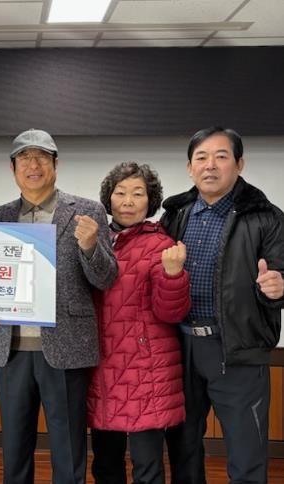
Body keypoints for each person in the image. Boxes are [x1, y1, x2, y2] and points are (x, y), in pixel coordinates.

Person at [0, 129, 117, 484]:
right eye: (25, 158)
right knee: (14, 450)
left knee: (69, 451)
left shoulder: (87, 212)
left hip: (67, 348)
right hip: (10, 350)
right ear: (13, 168)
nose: (33, 165)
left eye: (41, 158)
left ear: (55, 165)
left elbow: (106, 279)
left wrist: (90, 246)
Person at [161, 127, 284, 484]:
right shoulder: (175, 215)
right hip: (180, 347)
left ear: (239, 164)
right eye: (201, 157)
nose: (210, 165)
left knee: (246, 455)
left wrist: (278, 287)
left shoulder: (267, 217)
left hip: (237, 349)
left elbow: (280, 274)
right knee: (183, 451)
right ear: (190, 168)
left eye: (221, 156)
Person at [87, 162, 191, 484]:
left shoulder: (161, 245)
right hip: (101, 368)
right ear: (109, 198)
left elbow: (171, 313)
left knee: (147, 466)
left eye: (137, 193)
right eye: (120, 193)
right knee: (105, 464)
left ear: (151, 200)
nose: (128, 201)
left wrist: (173, 275)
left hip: (147, 371)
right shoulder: (94, 240)